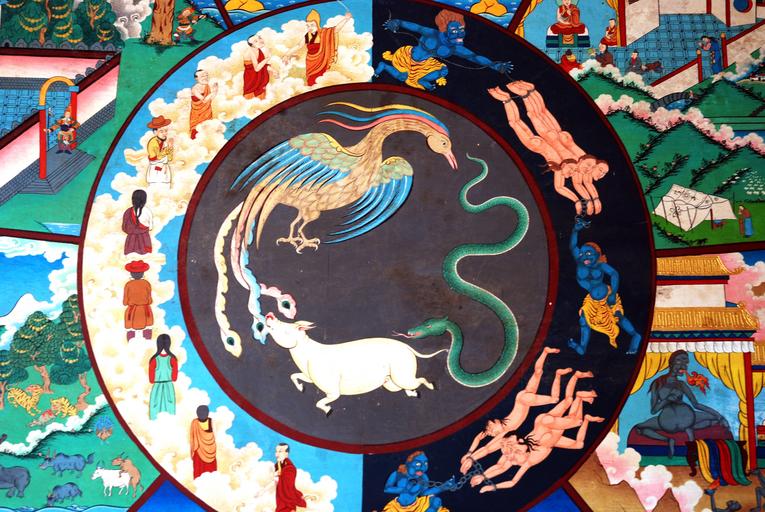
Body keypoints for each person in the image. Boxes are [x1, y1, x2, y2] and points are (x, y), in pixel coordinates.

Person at [461, 350, 591, 475]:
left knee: (554, 399)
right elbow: (480, 439)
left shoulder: (506, 431)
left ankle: (560, 375)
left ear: (494, 423)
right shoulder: (504, 431)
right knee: (538, 373)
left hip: (526, 400)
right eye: (492, 434)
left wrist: (471, 457)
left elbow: (487, 449)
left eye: (491, 432)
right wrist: (470, 454)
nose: (493, 435)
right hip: (523, 399)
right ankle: (546, 353)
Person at [488, 82, 609, 215]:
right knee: (533, 115)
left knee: (534, 115)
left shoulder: (573, 166)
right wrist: (589, 200)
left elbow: (576, 184)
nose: (570, 174)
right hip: (548, 137)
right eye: (600, 170)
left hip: (547, 139)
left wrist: (586, 200)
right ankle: (523, 94)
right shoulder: (577, 163)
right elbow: (578, 184)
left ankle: (521, 94)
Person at [470, 388, 603, 492]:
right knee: (578, 444)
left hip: (546, 427)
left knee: (575, 419)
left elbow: (502, 466)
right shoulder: (525, 460)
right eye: (514, 454)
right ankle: (582, 405)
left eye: (514, 451)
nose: (512, 456)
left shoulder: (521, 451)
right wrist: (485, 480)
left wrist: (486, 479)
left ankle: (579, 397)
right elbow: (507, 476)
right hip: (547, 432)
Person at [377, 9, 512, 91]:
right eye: (455, 30)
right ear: (444, 29)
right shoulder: (431, 34)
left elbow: (474, 57)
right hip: (406, 57)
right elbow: (414, 26)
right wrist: (396, 22)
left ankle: (421, 79)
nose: (460, 33)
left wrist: (495, 66)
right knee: (402, 77)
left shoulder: (455, 48)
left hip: (425, 65)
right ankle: (384, 65)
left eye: (461, 29)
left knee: (443, 71)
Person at [635, 350, 730, 458]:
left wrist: (720, 416)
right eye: (680, 361)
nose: (684, 366)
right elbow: (653, 410)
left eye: (686, 363)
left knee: (715, 417)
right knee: (639, 428)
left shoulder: (681, 384)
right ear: (671, 363)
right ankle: (669, 439)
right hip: (668, 420)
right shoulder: (658, 383)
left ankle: (685, 433)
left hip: (687, 417)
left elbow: (696, 404)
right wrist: (667, 400)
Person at [568, 218, 642, 355]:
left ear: (597, 255)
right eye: (582, 253)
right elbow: (573, 246)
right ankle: (582, 347)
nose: (585, 256)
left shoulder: (600, 265)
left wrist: (613, 294)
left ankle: (635, 336)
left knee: (617, 316)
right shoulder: (579, 262)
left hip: (607, 295)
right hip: (591, 300)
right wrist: (575, 230)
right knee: (583, 319)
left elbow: (614, 274)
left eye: (589, 254)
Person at [283, 9, 351, 86]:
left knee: (320, 79)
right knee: (311, 80)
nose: (310, 27)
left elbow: (336, 29)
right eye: (308, 25)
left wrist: (346, 19)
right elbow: (298, 45)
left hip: (322, 61)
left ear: (317, 24)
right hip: (310, 62)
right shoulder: (307, 36)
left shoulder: (324, 33)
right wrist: (287, 55)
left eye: (312, 25)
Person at [383, 451, 456, 512]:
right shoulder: (397, 474)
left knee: (436, 501)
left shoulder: (423, 477)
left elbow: (424, 493)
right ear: (409, 463)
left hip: (417, 506)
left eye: (425, 463)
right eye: (418, 464)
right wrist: (404, 489)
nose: (423, 467)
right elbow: (387, 489)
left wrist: (443, 487)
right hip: (397, 508)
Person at [148, 334, 178, 419]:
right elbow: (174, 378)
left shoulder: (154, 359)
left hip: (157, 388)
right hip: (169, 388)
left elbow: (151, 380)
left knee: (155, 413)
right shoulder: (173, 359)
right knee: (170, 412)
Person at [123, 260, 153, 342]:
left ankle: (130, 343)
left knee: (130, 328)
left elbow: (125, 301)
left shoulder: (128, 284)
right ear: (143, 273)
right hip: (145, 310)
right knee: (147, 327)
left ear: (131, 274)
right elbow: (150, 299)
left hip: (132, 311)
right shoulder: (146, 283)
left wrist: (128, 302)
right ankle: (148, 342)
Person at [275, 443, 309, 512]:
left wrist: (299, 499)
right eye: (276, 451)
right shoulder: (278, 466)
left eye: (280, 451)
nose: (277, 454)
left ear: (286, 454)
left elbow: (288, 489)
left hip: (287, 505)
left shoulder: (290, 469)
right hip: (280, 502)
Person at [189, 405, 217, 478]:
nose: (202, 414)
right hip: (198, 449)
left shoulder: (211, 421)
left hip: (210, 449)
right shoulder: (194, 422)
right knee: (198, 470)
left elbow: (215, 435)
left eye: (204, 412)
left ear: (207, 413)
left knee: (211, 471)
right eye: (199, 412)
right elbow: (192, 438)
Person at [122, 189, 153, 255]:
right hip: (144, 240)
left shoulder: (128, 211)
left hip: (131, 241)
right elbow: (150, 228)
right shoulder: (147, 211)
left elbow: (124, 228)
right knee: (146, 257)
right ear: (144, 200)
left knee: (130, 257)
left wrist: (133, 230)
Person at [146, 116, 174, 185]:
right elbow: (157, 157)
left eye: (166, 131)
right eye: (161, 131)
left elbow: (170, 158)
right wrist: (169, 148)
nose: (165, 133)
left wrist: (170, 147)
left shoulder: (164, 143)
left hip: (165, 170)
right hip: (156, 171)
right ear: (155, 132)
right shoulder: (153, 142)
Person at [189, 70, 217, 140]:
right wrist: (213, 92)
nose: (205, 77)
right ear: (196, 78)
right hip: (197, 114)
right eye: (202, 76)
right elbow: (204, 100)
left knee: (207, 130)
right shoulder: (194, 89)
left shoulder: (207, 86)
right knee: (196, 131)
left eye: (206, 75)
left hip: (207, 112)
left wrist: (215, 91)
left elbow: (211, 99)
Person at [243, 34, 271, 100]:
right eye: (255, 41)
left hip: (259, 77)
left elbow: (262, 65)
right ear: (252, 45)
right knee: (252, 99)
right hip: (252, 78)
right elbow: (257, 68)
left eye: (259, 38)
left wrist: (272, 70)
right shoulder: (251, 51)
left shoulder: (258, 50)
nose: (260, 41)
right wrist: (267, 58)